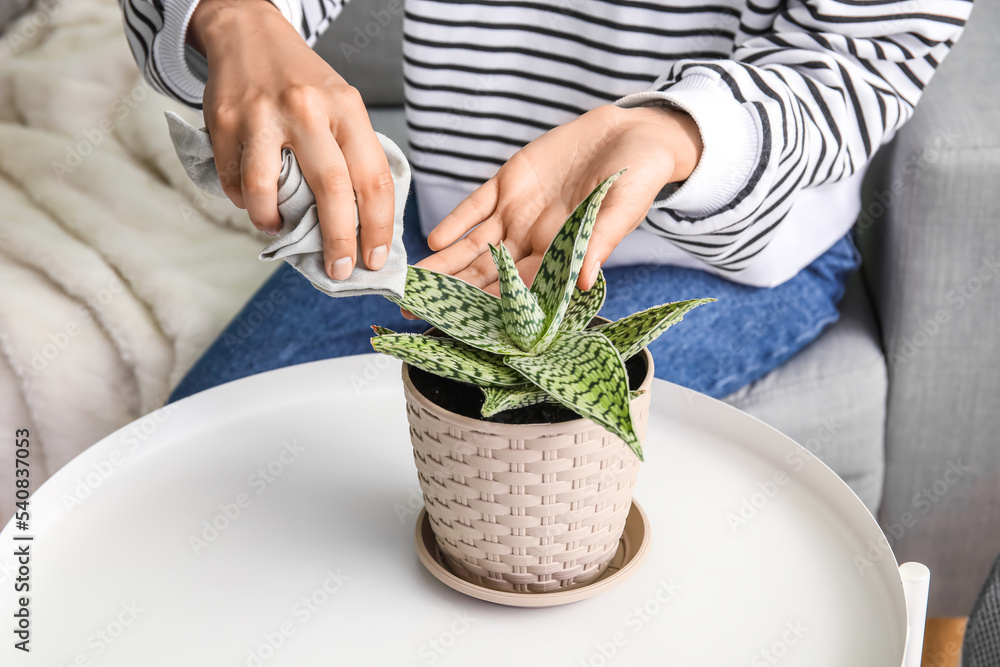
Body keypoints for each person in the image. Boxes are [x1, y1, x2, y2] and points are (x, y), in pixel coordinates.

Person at [118, 0, 970, 401]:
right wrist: (232, 19)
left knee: (461, 489)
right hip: (455, 221)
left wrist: (679, 135)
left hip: (716, 242)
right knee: (185, 466)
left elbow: (873, 47)